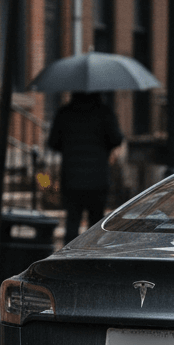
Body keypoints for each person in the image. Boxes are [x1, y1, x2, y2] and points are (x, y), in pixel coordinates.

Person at [47, 92, 123, 244]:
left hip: (72, 177)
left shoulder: (65, 113)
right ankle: (91, 258)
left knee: (72, 221)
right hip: (98, 178)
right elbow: (116, 139)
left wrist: (69, 147)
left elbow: (53, 142)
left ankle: (67, 259)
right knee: (96, 224)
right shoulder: (104, 112)